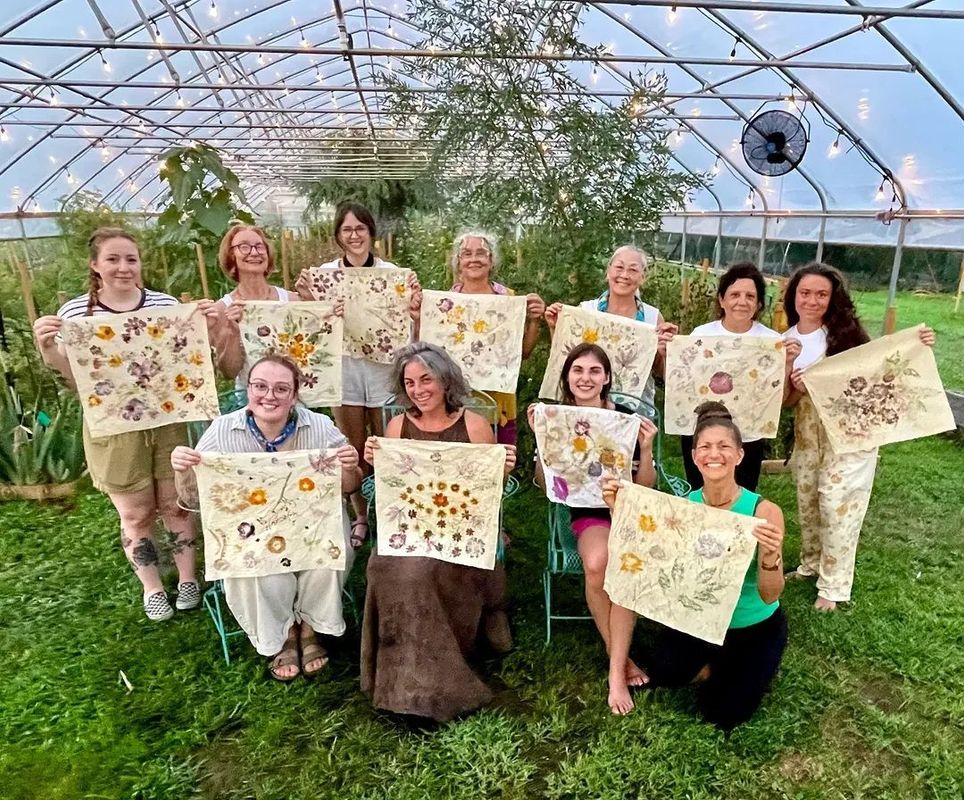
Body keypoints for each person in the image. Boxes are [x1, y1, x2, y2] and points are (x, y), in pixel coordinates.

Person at [31, 227, 219, 621]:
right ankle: (152, 587)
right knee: (135, 514)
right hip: (114, 428)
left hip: (167, 422)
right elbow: (75, 379)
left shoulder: (165, 305)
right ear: (94, 265)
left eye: (131, 259)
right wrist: (49, 349)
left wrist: (206, 323)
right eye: (113, 259)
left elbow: (188, 361)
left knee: (176, 504)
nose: (123, 267)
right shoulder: (76, 314)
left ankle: (187, 578)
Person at [170, 355, 361, 680]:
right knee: (251, 568)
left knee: (332, 550)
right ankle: (283, 636)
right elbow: (192, 499)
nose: (269, 396)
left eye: (281, 388)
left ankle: (310, 629)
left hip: (310, 522)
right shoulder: (222, 431)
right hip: (249, 528)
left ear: (294, 395)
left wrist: (349, 467)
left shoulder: (319, 426)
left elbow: (350, 486)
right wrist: (183, 470)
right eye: (260, 386)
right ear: (248, 390)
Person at [603, 402, 788, 728]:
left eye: (724, 446)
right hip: (699, 622)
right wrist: (619, 510)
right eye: (705, 447)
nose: (714, 454)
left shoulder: (763, 512)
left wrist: (771, 556)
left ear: (739, 455)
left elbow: (770, 595)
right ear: (694, 456)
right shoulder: (684, 508)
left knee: (723, 715)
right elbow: (650, 556)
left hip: (752, 626)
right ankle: (712, 666)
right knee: (664, 673)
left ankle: (740, 667)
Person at [361, 342, 517, 721]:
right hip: (411, 528)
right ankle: (401, 673)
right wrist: (376, 463)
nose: (418, 389)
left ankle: (429, 684)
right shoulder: (397, 426)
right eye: (409, 383)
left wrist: (501, 470)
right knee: (382, 565)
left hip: (459, 533)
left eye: (426, 379)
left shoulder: (474, 425)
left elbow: (487, 496)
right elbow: (395, 488)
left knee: (419, 571)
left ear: (445, 380)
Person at [783, 262, 936, 612]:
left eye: (821, 294)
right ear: (794, 297)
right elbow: (785, 402)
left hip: (851, 435)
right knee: (808, 500)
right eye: (805, 293)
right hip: (808, 433)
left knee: (838, 504)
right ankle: (811, 564)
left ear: (832, 298)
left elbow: (883, 369)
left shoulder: (847, 337)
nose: (812, 301)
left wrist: (918, 343)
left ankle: (833, 586)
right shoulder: (786, 340)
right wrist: (796, 385)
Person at [528, 342, 658, 690]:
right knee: (598, 562)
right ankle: (619, 657)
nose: (586, 378)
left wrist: (646, 449)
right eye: (578, 370)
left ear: (607, 378)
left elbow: (645, 484)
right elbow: (544, 485)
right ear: (567, 377)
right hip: (589, 510)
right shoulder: (555, 419)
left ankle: (617, 663)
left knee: (625, 561)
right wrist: (541, 441)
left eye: (594, 371)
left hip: (628, 509)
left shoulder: (625, 419)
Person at [296, 202, 422, 550]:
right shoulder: (325, 275)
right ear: (338, 236)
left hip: (383, 369)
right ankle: (361, 515)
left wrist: (412, 301)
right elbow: (311, 328)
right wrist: (308, 299)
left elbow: (409, 325)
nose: (354, 236)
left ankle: (391, 512)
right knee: (350, 446)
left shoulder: (391, 274)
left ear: (371, 233)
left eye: (360, 229)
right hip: (344, 369)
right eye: (347, 230)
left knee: (386, 445)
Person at [676, 262, 801, 491]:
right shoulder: (701, 335)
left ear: (759, 304)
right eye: (734, 295)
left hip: (748, 436)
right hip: (703, 433)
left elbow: (778, 400)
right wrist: (668, 353)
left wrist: (787, 363)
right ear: (722, 300)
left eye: (750, 296)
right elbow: (683, 386)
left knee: (742, 496)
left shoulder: (772, 342)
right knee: (700, 495)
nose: (742, 302)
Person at [544, 245, 677, 408]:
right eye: (619, 267)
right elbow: (566, 358)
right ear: (608, 271)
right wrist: (555, 328)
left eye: (633, 270)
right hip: (586, 406)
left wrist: (665, 353)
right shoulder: (586, 311)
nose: (624, 275)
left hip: (634, 411)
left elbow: (661, 372)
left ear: (643, 277)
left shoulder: (653, 318)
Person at [447, 229, 545, 445]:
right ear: (458, 262)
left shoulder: (509, 300)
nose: (474, 259)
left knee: (500, 459)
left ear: (491, 261)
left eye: (481, 253)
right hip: (456, 402)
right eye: (467, 253)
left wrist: (534, 320)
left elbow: (524, 352)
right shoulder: (444, 304)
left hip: (499, 401)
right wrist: (418, 318)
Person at [210, 224, 300, 383]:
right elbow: (229, 372)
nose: (254, 252)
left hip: (290, 392)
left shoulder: (292, 301)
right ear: (231, 255)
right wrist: (233, 332)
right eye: (244, 247)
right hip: (249, 395)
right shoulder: (222, 309)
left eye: (259, 246)